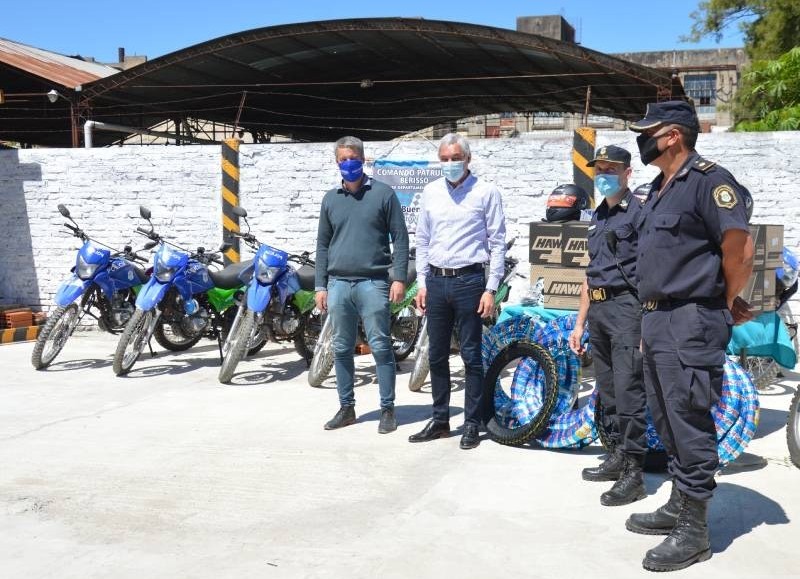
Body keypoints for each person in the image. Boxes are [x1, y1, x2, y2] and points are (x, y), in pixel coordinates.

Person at [625, 101, 754, 572]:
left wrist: (720, 304)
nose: (643, 138)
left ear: (673, 135)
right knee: (666, 415)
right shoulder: (661, 189)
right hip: (658, 319)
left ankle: (695, 531)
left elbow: (739, 250)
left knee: (689, 418)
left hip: (691, 320)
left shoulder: (709, 181)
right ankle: (680, 503)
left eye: (649, 131)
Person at [408, 133, 507, 450]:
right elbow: (422, 240)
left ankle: (472, 424)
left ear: (468, 158)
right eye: (445, 158)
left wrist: (491, 288)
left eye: (455, 158)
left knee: (471, 357)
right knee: (435, 355)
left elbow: (497, 243)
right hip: (436, 282)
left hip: (469, 282)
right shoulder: (431, 192)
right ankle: (439, 421)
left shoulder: (485, 192)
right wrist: (422, 283)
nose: (449, 164)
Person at [568, 145, 649, 507]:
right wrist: (579, 322)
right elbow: (591, 272)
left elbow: (650, 271)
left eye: (611, 168)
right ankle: (616, 453)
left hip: (627, 310)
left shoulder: (640, 213)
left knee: (630, 391)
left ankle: (635, 471)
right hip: (599, 311)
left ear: (628, 173)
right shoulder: (598, 215)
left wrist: (647, 323)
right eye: (599, 168)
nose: (603, 174)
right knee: (609, 390)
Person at [314, 136, 409, 434]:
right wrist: (320, 285)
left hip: (374, 283)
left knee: (380, 346)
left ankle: (388, 409)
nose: (348, 163)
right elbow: (322, 245)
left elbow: (401, 238)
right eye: (343, 159)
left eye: (353, 157)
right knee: (341, 347)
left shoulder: (383, 194)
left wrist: (399, 278)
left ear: (363, 159)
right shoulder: (330, 199)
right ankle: (346, 408)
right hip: (339, 284)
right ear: (336, 162)